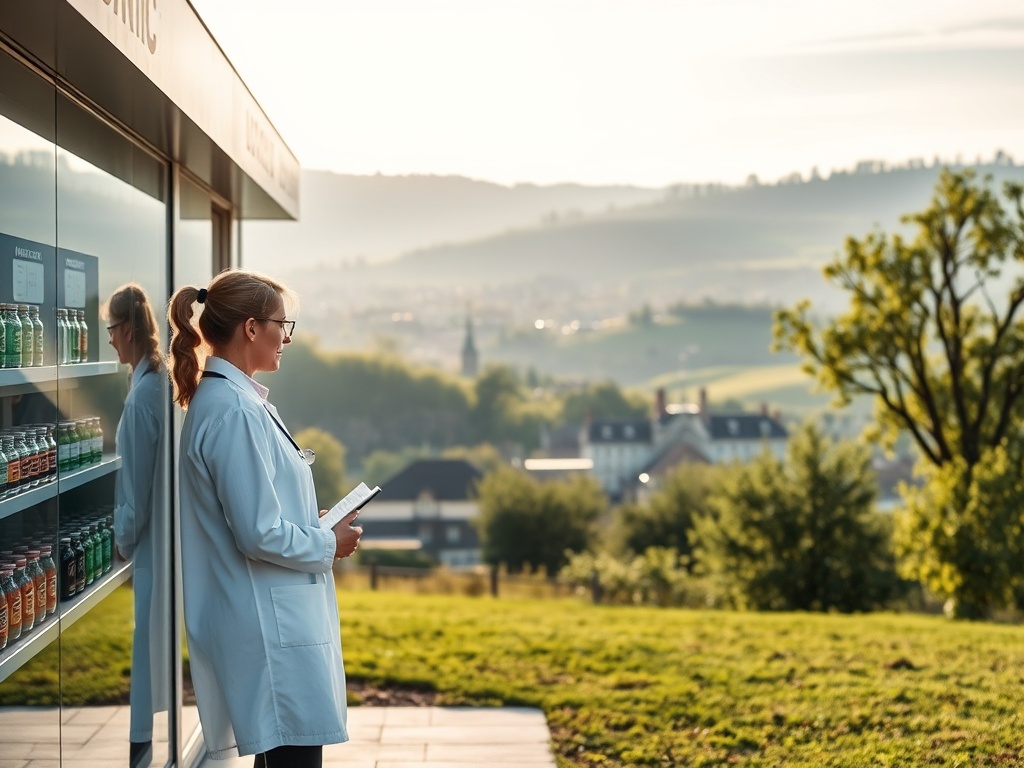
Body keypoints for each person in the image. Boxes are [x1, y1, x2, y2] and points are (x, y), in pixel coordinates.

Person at [167, 268, 362, 768]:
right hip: (266, 627)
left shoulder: (236, 403)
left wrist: (312, 523)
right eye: (282, 324)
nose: (286, 338)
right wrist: (326, 543)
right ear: (252, 328)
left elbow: (260, 512)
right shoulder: (232, 411)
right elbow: (258, 533)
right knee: (294, 761)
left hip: (269, 618)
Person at [105, 282, 171, 768]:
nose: (109, 339)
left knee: (149, 642)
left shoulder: (143, 397)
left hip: (153, 544)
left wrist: (121, 540)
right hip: (170, 541)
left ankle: (142, 747)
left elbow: (137, 488)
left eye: (110, 329)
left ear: (126, 329)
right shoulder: (158, 383)